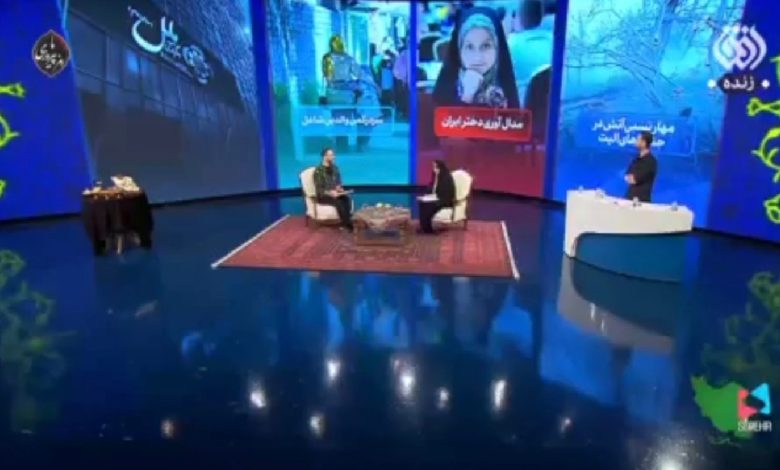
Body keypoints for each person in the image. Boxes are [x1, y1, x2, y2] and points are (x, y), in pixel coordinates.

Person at [433, 7, 519, 109]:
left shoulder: (505, 88)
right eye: (469, 47)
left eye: (486, 46)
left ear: (497, 48)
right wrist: (467, 96)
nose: (477, 57)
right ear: (459, 49)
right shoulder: (446, 90)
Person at [313, 148, 353, 230]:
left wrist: (339, 188)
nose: (333, 157)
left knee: (346, 199)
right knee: (339, 202)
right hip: (324, 195)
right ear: (324, 156)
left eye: (333, 155)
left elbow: (338, 182)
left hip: (336, 193)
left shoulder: (335, 168)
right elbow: (319, 189)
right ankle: (348, 224)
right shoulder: (318, 171)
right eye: (331, 155)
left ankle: (346, 222)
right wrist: (330, 193)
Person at [418, 160, 456, 234]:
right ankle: (424, 227)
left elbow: (448, 193)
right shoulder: (435, 176)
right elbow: (431, 187)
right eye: (434, 167)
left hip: (444, 200)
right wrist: (426, 196)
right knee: (422, 203)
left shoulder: (447, 177)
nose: (434, 169)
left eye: (436, 167)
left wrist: (435, 197)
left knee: (429, 206)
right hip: (434, 198)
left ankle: (428, 229)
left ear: (440, 167)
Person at [624, 131, 658, 203]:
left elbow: (634, 180)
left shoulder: (650, 162)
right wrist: (630, 177)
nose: (635, 141)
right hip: (629, 200)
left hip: (641, 202)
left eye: (638, 139)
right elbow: (627, 176)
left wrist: (632, 178)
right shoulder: (636, 159)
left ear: (644, 143)